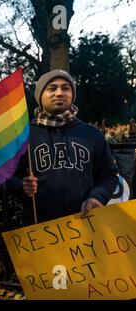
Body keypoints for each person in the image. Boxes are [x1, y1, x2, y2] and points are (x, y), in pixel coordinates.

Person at [7, 69, 118, 224]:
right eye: (52, 88)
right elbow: (7, 176)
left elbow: (108, 175)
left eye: (66, 88)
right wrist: (21, 186)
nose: (59, 93)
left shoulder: (92, 134)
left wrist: (97, 196)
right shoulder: (23, 135)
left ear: (72, 94)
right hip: (38, 228)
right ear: (40, 95)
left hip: (86, 226)